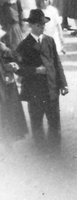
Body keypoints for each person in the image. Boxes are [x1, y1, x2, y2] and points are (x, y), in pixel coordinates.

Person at [15, 8, 66, 148]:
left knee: (55, 124)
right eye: (38, 25)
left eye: (43, 24)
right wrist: (35, 70)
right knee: (37, 126)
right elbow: (18, 68)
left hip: (51, 90)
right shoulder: (24, 45)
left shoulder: (49, 41)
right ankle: (41, 153)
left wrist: (63, 83)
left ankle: (55, 152)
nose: (42, 27)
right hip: (34, 93)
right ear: (31, 26)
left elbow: (57, 63)